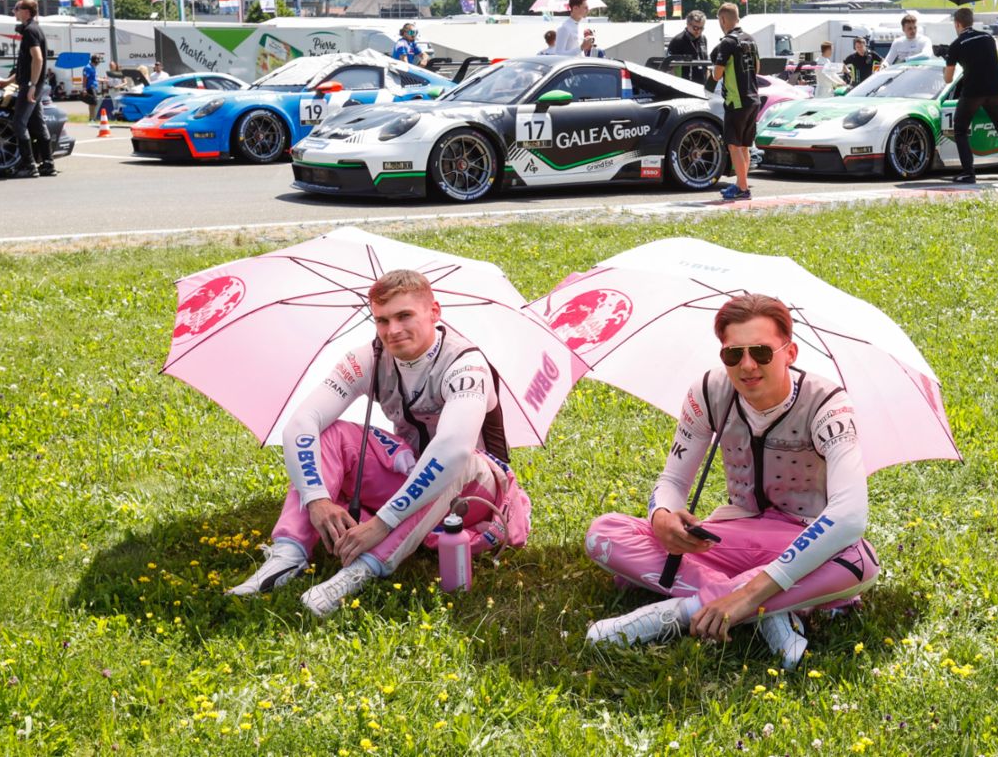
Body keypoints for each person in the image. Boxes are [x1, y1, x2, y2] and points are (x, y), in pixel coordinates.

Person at [584, 294, 879, 669]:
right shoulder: (708, 392)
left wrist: (748, 593)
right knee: (604, 532)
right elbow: (672, 479)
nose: (747, 365)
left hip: (804, 540)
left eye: (762, 352)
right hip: (732, 537)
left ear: (791, 353)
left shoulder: (828, 405)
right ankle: (771, 608)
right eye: (733, 355)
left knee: (858, 557)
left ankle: (685, 609)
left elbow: (850, 516)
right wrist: (662, 515)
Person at [227, 270, 526, 617]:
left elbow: (452, 450)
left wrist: (381, 524)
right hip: (411, 480)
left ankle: (360, 569)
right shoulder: (369, 356)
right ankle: (288, 554)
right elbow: (302, 423)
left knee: (456, 462)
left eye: (404, 316)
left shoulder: (467, 364)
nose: (392, 330)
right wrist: (317, 500)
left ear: (434, 312)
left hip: (474, 495)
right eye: (382, 320)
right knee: (331, 433)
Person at [943, 7, 998, 184]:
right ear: (972, 21)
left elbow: (948, 79)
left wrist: (946, 65)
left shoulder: (956, 45)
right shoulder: (988, 38)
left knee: (960, 129)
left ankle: (969, 173)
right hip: (995, 89)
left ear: (957, 24)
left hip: (973, 91)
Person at [0, 0, 55, 178]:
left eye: (16, 8)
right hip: (32, 83)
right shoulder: (33, 29)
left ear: (26, 11)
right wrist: (8, 81)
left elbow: (38, 59)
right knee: (38, 124)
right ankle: (48, 164)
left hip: (31, 85)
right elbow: (25, 64)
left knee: (19, 123)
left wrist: (32, 86)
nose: (14, 11)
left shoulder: (30, 31)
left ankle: (29, 166)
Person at [711, 2, 760, 201]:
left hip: (736, 101)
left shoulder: (727, 42)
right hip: (753, 97)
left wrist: (714, 69)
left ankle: (742, 188)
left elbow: (716, 75)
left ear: (722, 20)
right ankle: (742, 184)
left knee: (733, 145)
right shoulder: (750, 39)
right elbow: (757, 68)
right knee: (744, 146)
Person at [667, 10, 709, 84]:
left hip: (702, 86)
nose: (698, 31)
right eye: (695, 28)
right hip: (684, 86)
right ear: (688, 25)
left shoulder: (703, 39)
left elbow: (706, 64)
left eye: (701, 28)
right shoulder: (677, 41)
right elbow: (670, 68)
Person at [82, 54, 102, 122]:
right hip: (91, 87)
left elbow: (95, 78)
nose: (99, 62)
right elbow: (85, 78)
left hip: (94, 87)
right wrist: (84, 89)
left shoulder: (93, 67)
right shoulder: (88, 67)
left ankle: (92, 118)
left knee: (93, 103)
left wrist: (104, 80)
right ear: (95, 60)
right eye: (98, 60)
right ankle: (91, 118)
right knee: (93, 103)